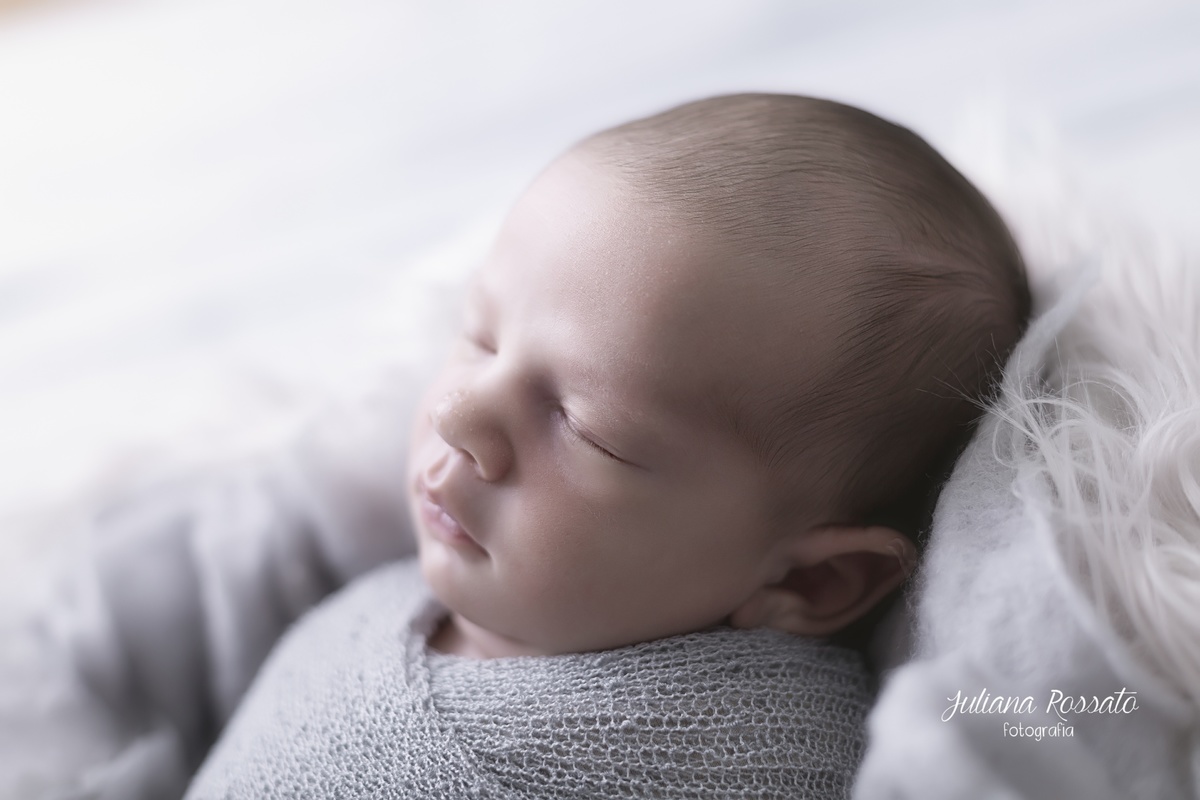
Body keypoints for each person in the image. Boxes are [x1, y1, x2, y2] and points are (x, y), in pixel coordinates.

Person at [37, 94, 1032, 799]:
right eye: (478, 334)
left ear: (813, 585)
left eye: (585, 426)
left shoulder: (753, 751)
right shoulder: (410, 582)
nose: (464, 415)